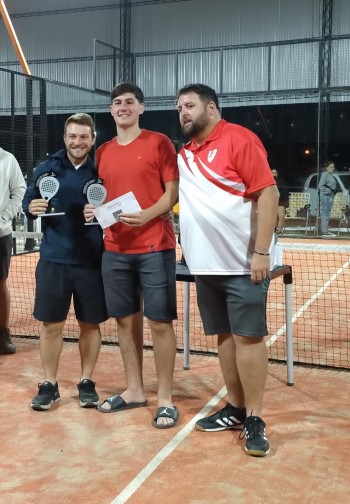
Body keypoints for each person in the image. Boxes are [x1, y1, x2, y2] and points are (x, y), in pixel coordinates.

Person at [176, 84, 279, 456]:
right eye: (179, 108)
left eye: (189, 105)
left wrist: (262, 252)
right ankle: (235, 407)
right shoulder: (185, 153)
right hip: (206, 266)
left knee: (248, 338)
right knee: (223, 336)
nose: (183, 112)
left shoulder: (239, 138)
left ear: (212, 108)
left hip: (242, 263)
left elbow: (268, 193)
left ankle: (255, 417)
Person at [84, 82, 179, 428]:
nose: (122, 107)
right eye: (116, 103)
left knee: (160, 322)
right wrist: (92, 212)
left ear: (142, 107)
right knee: (125, 321)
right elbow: (101, 196)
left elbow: (172, 193)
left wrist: (150, 214)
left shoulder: (159, 142)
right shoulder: (103, 151)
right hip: (115, 249)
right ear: (111, 111)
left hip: (155, 246)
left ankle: (165, 398)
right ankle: (136, 389)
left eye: (129, 102)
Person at [22, 113, 108, 411]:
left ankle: (86, 381)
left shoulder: (104, 168)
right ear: (65, 138)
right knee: (50, 325)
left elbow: (117, 208)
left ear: (93, 138)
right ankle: (49, 383)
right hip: (54, 259)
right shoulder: (47, 168)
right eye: (72, 136)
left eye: (84, 136)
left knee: (90, 324)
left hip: (91, 261)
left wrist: (103, 212)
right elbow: (29, 202)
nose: (78, 142)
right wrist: (31, 207)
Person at [0, 148, 26, 354]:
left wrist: (3, 218)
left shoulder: (7, 159)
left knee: (0, 284)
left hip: (0, 233)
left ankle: (2, 332)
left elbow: (19, 190)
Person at [318, 160, 337, 236]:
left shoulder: (331, 175)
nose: (332, 168)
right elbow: (320, 186)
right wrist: (328, 191)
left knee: (327, 212)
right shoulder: (325, 175)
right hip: (326, 196)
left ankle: (324, 229)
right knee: (326, 212)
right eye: (331, 167)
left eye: (333, 167)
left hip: (330, 195)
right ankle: (324, 231)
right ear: (327, 168)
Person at [271, 168, 289, 234]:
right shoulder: (268, 183)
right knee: (274, 217)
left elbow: (285, 192)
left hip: (280, 202)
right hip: (271, 202)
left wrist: (286, 202)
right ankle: (273, 229)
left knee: (281, 216)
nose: (274, 174)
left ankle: (280, 230)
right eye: (273, 173)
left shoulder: (281, 182)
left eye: (275, 173)